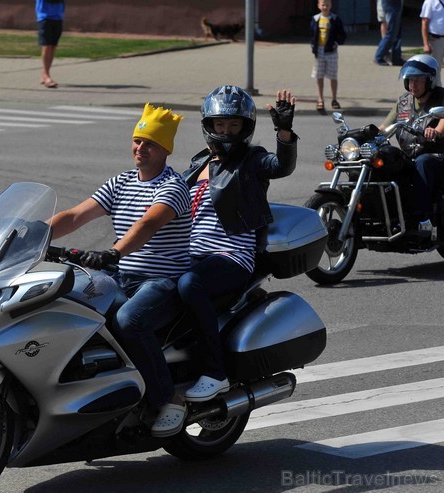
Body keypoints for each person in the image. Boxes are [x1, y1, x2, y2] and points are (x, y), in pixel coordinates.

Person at [49, 103, 191, 437]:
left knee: (130, 320)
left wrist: (113, 253)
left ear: (165, 150)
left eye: (150, 143)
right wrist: (27, 235)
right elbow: (74, 216)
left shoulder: (172, 187)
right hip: (121, 277)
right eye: (138, 140)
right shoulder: (121, 182)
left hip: (160, 280)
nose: (141, 148)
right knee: (67, 302)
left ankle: (168, 398)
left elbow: (147, 225)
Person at [178, 85, 298, 402]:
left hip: (231, 256)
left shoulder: (250, 161)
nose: (226, 131)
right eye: (220, 125)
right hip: (189, 254)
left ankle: (214, 372)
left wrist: (284, 131)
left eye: (234, 125)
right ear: (209, 125)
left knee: (192, 284)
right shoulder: (197, 164)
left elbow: (280, 166)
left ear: (245, 128)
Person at [379, 54, 444, 238]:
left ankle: (422, 220)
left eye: (418, 80)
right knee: (383, 160)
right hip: (410, 157)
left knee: (424, 161)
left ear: (430, 80)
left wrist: (437, 132)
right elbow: (384, 128)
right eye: (409, 80)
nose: (412, 85)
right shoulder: (403, 102)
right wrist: (362, 135)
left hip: (442, 158)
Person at [310, 0, 346, 111]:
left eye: (327, 5)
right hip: (319, 51)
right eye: (323, 5)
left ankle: (334, 99)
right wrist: (313, 46)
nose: (325, 7)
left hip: (331, 51)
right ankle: (320, 99)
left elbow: (342, 34)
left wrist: (335, 43)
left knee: (333, 76)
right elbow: (312, 33)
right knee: (319, 76)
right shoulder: (315, 19)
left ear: (331, 5)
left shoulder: (335, 19)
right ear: (318, 6)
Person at [35, 0, 65, 88]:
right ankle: (46, 76)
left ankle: (44, 74)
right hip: (45, 16)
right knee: (47, 45)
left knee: (53, 46)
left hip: (58, 16)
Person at [374, 0, 404, 66]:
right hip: (391, 3)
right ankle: (379, 56)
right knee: (392, 32)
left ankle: (396, 57)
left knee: (397, 31)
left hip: (394, 3)